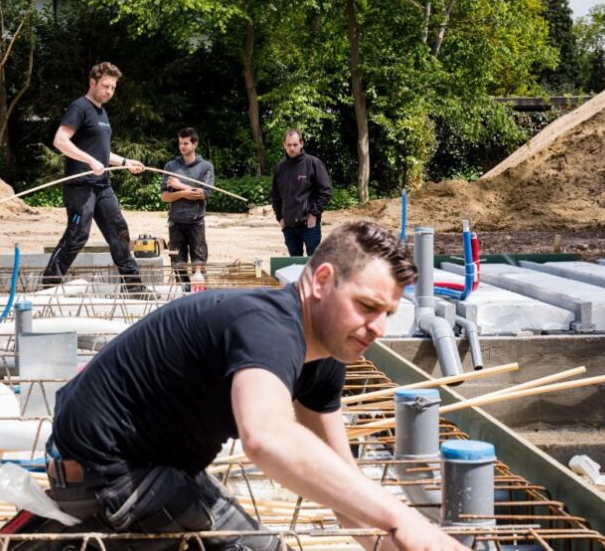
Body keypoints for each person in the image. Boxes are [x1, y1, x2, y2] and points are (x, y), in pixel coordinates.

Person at [44, 220, 470, 551]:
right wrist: (401, 516)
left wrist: (401, 540)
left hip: (153, 468)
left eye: (387, 314)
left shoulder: (325, 359)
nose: (378, 327)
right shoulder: (269, 326)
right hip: (106, 472)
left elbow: (345, 489)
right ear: (321, 281)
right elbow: (266, 438)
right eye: (366, 306)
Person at [41, 62, 146, 291]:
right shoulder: (79, 107)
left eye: (113, 87)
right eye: (106, 86)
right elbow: (60, 140)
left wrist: (125, 163)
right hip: (81, 187)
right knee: (77, 235)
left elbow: (101, 154)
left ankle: (134, 287)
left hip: (102, 186)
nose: (109, 91)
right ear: (92, 83)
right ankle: (48, 286)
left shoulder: (102, 113)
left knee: (119, 231)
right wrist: (89, 161)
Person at [160, 127, 214, 290]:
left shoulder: (205, 167)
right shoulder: (171, 166)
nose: (182, 147)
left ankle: (199, 296)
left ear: (195, 144)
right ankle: (182, 294)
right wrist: (184, 193)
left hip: (196, 223)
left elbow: (204, 193)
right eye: (180, 143)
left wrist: (179, 185)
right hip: (175, 223)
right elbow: (165, 197)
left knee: (199, 264)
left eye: (186, 143)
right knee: (178, 265)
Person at [271, 130, 333, 257]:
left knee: (313, 262)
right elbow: (275, 196)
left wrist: (314, 213)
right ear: (284, 145)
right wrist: (280, 217)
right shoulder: (280, 168)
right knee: (294, 263)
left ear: (301, 144)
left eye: (295, 144)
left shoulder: (313, 163)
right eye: (289, 145)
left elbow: (326, 191)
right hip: (288, 226)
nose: (292, 148)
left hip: (309, 225)